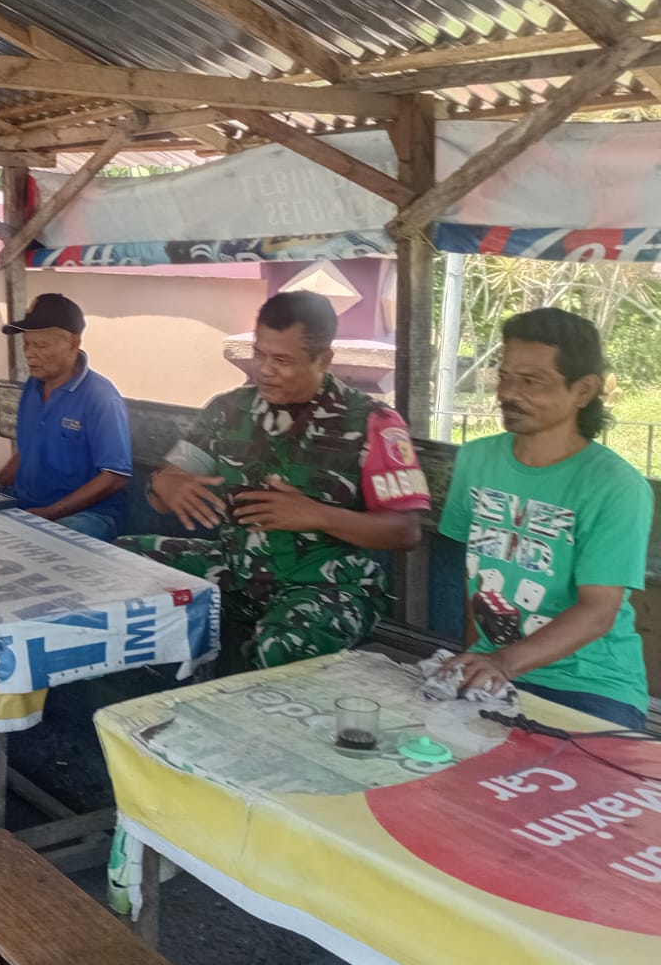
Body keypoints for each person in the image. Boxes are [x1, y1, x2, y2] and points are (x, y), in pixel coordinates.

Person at [125, 291, 429, 669]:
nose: (265, 370)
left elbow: (406, 532)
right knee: (120, 562)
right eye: (260, 354)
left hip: (327, 587)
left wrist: (318, 515)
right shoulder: (229, 410)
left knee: (284, 646)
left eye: (282, 360)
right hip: (234, 569)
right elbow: (165, 487)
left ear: (324, 359)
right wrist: (163, 485)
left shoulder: (372, 423)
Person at [438, 309, 651, 729]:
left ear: (583, 391)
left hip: (590, 685)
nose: (507, 393)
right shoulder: (476, 459)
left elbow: (598, 611)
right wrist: (477, 656)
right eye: (504, 377)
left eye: (531, 382)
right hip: (494, 670)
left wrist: (502, 662)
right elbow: (473, 577)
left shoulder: (615, 486)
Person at [0, 293, 133, 541]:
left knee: (47, 545)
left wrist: (50, 513)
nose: (29, 354)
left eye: (41, 346)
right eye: (27, 344)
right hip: (29, 505)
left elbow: (114, 476)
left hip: (86, 515)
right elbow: (29, 449)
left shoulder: (100, 397)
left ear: (73, 343)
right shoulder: (33, 386)